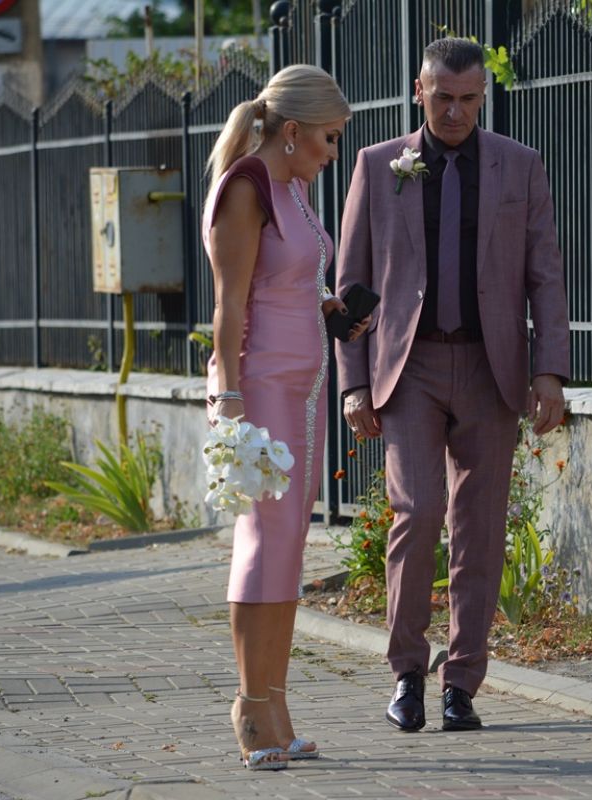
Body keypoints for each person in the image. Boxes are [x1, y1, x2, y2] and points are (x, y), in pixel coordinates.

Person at [335, 38, 570, 732]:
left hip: (492, 367)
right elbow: (351, 286)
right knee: (417, 512)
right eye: (444, 98)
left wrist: (549, 370)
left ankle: (461, 683)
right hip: (409, 369)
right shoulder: (378, 164)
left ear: (482, 97)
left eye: (469, 99)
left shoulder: (520, 165)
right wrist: (353, 385)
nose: (456, 112)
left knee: (480, 527)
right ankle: (407, 673)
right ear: (420, 91)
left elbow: (545, 276)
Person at [202, 64, 363, 769]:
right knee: (264, 542)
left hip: (306, 383)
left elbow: (290, 277)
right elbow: (231, 302)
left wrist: (329, 308)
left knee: (292, 544)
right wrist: (229, 397)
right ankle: (248, 705)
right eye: (329, 138)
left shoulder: (294, 187)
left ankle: (277, 703)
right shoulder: (245, 187)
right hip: (261, 385)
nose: (333, 152)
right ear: (292, 131)